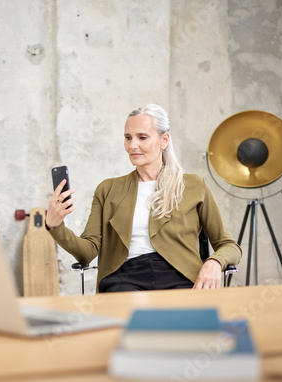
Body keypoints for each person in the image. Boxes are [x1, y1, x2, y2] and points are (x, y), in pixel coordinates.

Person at [46, 104, 241, 292]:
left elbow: (229, 246)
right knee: (128, 317)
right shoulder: (108, 189)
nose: (133, 145)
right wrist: (56, 226)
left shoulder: (194, 185)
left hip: (181, 278)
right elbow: (87, 252)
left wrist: (215, 262)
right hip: (124, 279)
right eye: (128, 137)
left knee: (182, 320)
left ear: (164, 140)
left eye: (142, 137)